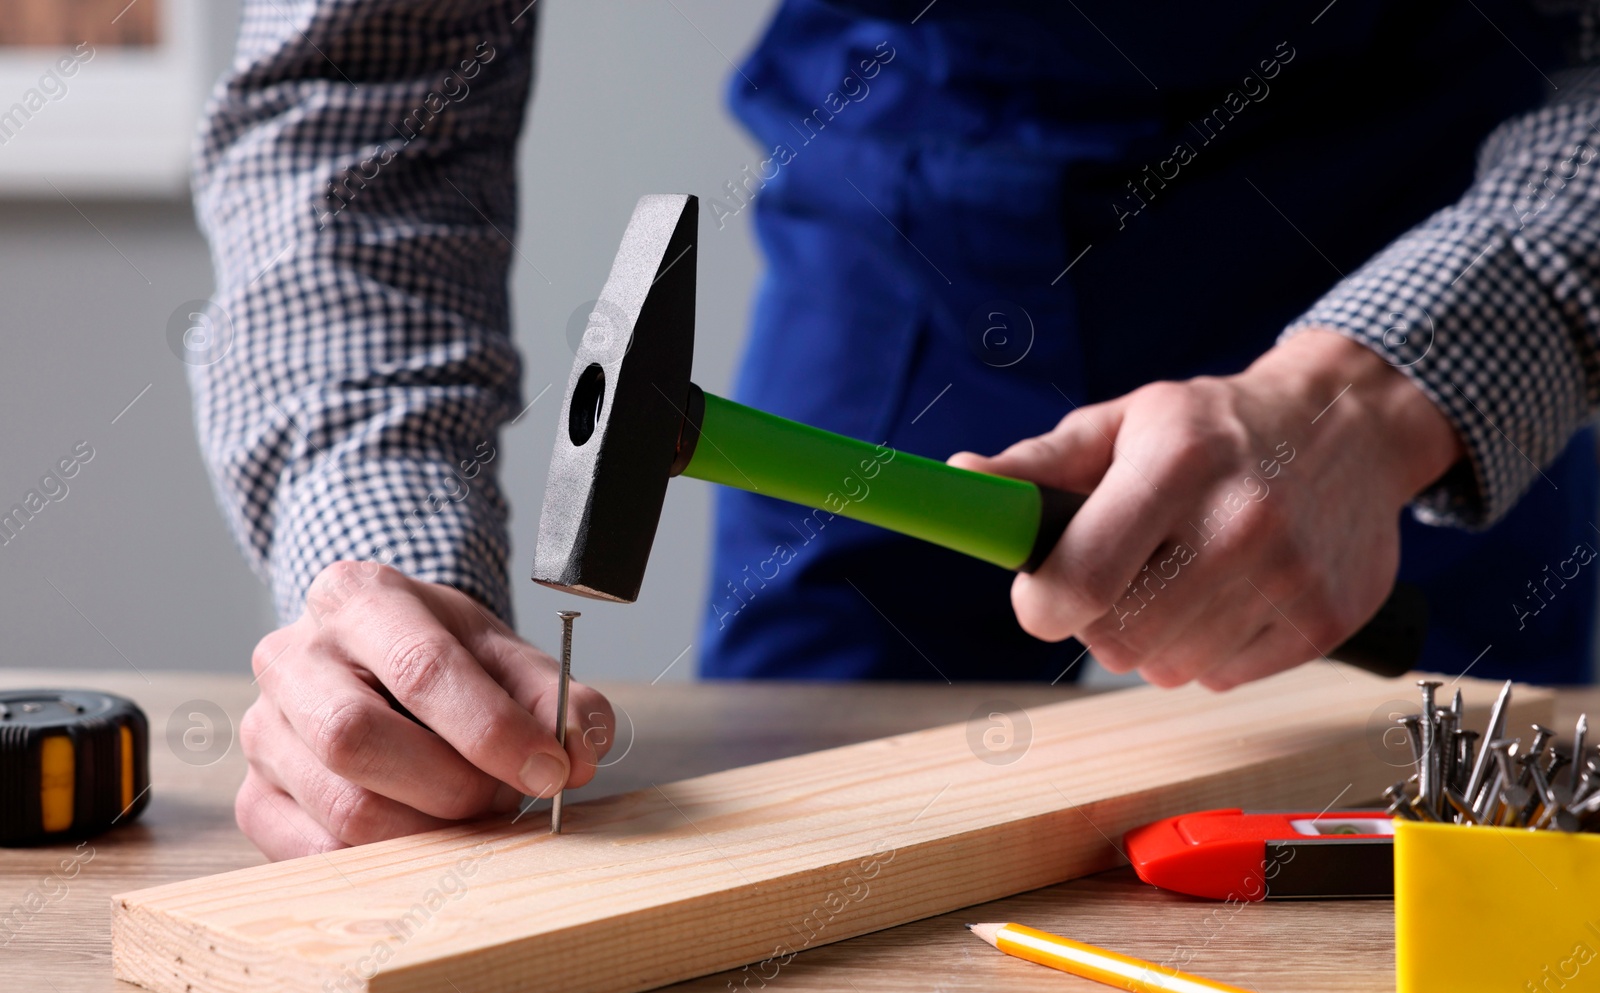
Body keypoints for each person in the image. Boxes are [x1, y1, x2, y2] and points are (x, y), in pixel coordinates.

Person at [189, 0, 1600, 858]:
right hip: (914, 217)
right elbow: (355, 101)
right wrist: (386, 588)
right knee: (787, 871)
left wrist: (1386, 388)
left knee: (1471, 837)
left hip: (1427, 204)